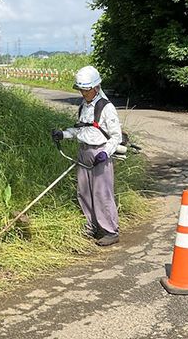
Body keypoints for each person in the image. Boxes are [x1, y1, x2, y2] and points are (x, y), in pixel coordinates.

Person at [51, 66, 122, 246]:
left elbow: (116, 137)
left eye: (86, 89)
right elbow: (80, 129)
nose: (83, 93)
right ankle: (92, 225)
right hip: (83, 152)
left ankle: (110, 231)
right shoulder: (84, 106)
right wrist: (63, 134)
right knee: (84, 191)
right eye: (81, 89)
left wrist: (105, 152)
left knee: (102, 193)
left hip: (100, 154)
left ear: (96, 87)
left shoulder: (106, 107)